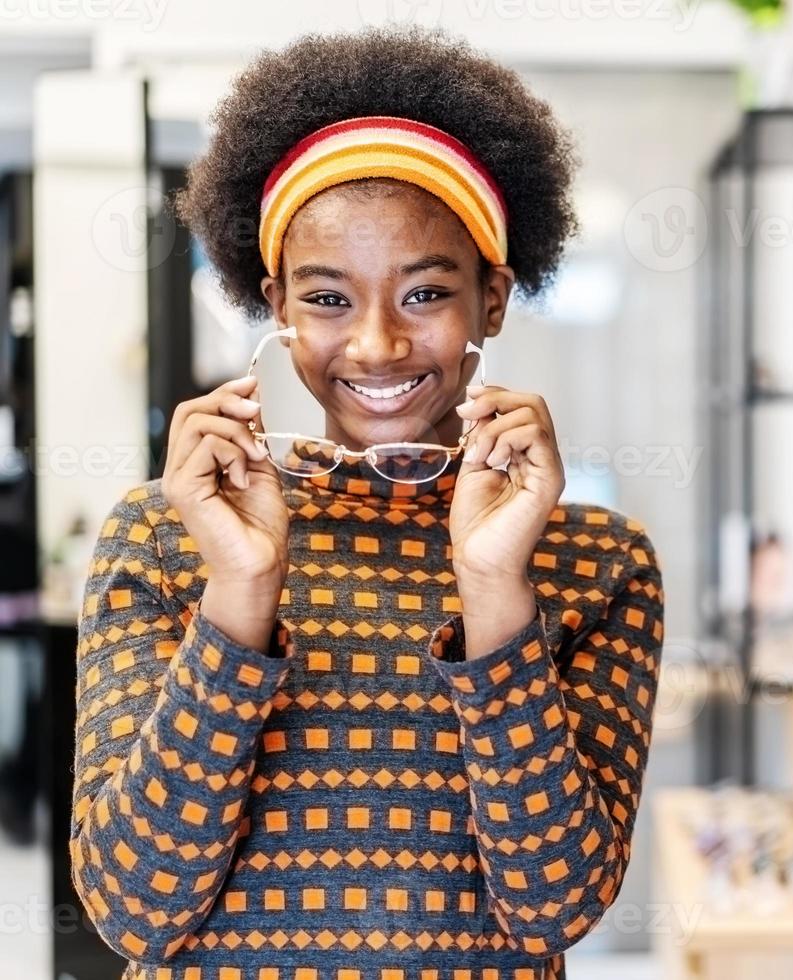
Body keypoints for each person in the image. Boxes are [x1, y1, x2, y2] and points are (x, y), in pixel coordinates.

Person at [68, 25, 664, 980]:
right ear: (278, 307)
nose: (379, 346)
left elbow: (554, 903)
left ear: (494, 300)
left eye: (425, 293)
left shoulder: (595, 558)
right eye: (329, 300)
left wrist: (493, 588)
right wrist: (241, 593)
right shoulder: (165, 537)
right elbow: (136, 911)